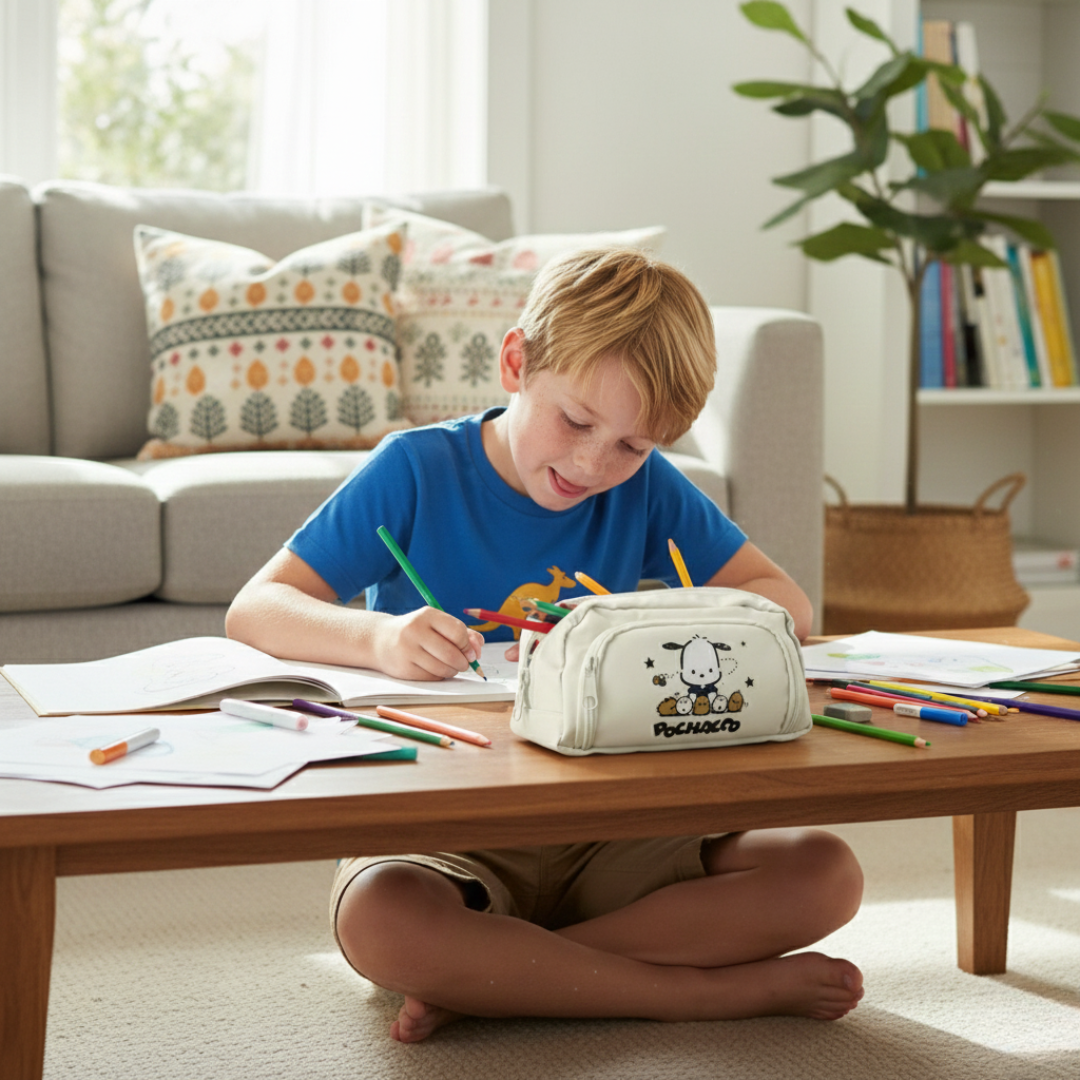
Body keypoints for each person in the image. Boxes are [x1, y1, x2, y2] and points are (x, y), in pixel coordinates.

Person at [226, 247, 864, 1042]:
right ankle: (695, 994)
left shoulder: (646, 486)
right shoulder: (417, 470)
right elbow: (257, 608)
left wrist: (642, 629)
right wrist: (380, 637)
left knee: (823, 873)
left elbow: (786, 606)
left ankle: (503, 979)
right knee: (379, 918)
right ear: (516, 361)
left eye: (633, 446)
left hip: (615, 820)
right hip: (448, 823)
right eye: (576, 420)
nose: (595, 464)